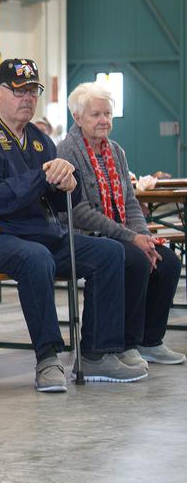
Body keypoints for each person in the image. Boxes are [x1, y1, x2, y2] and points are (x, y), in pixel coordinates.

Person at [0, 58, 146, 392]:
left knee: (111, 253)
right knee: (35, 257)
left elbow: (57, 203)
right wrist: (42, 177)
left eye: (32, 91)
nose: (27, 97)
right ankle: (48, 357)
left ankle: (98, 352)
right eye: (18, 90)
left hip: (41, 236)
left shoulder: (40, 141)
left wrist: (68, 185)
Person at [58, 81, 185, 365]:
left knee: (167, 261)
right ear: (77, 118)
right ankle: (126, 343)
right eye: (96, 114)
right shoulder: (67, 151)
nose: (104, 120)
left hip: (121, 234)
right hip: (87, 236)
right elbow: (79, 212)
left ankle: (150, 340)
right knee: (133, 259)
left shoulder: (115, 150)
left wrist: (144, 238)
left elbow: (130, 203)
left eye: (107, 114)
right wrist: (131, 238)